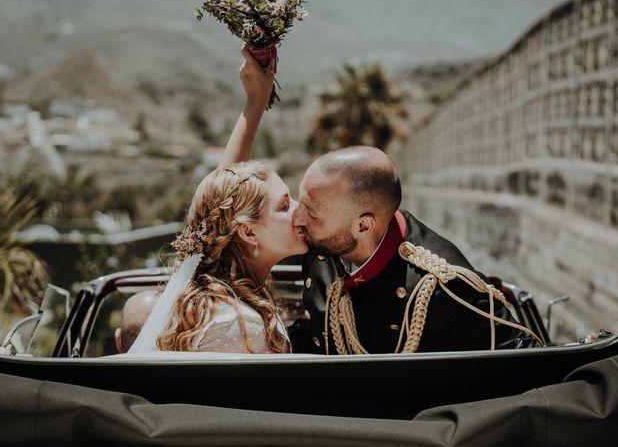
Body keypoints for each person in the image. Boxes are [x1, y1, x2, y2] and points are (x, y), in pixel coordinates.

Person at [129, 45, 306, 354]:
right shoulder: (237, 325)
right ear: (248, 231)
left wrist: (255, 104)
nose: (298, 210)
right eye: (284, 205)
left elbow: (225, 199)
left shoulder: (219, 293)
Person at [288, 147, 538, 354]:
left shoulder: (443, 287)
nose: (296, 218)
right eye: (300, 201)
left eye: (312, 213)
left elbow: (522, 362)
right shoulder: (322, 240)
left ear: (363, 225)